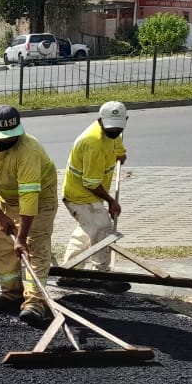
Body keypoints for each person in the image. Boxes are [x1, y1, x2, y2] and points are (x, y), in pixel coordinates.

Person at [0, 105, 59, 326]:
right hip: (4, 199)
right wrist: (1, 216)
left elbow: (29, 198)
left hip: (40, 199)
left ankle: (35, 302)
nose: (9, 141)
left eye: (13, 136)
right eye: (3, 137)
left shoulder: (29, 150)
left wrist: (21, 238)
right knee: (0, 245)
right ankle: (11, 293)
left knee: (34, 248)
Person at [59, 101, 130, 293]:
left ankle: (68, 271)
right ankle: (101, 274)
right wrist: (111, 201)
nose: (113, 133)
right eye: (110, 130)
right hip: (81, 195)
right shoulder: (92, 143)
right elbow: (90, 183)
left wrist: (120, 154)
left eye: (117, 129)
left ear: (125, 122)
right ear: (100, 121)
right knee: (103, 231)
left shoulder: (113, 131)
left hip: (88, 194)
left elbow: (116, 144)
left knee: (86, 232)